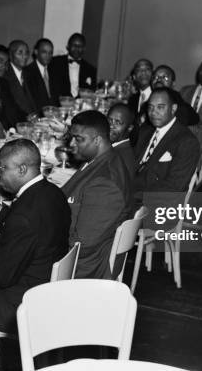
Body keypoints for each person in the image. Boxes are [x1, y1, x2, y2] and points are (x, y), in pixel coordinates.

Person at [0, 139, 70, 334]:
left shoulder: (24, 215)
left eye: (2, 168)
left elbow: (1, 275)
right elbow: (38, 229)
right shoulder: (53, 193)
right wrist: (3, 214)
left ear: (22, 169)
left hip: (17, 304)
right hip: (44, 288)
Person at [62, 111, 132, 279]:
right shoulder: (99, 160)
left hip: (81, 268)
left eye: (78, 139)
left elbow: (82, 246)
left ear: (98, 140)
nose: (71, 144)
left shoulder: (105, 184)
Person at [134, 88, 200, 200]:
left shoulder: (187, 142)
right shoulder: (146, 131)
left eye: (160, 107)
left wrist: (133, 196)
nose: (153, 112)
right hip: (133, 190)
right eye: (150, 107)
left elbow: (173, 187)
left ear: (173, 109)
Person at [49, 33, 97, 103]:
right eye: (74, 45)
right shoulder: (55, 62)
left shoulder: (91, 69)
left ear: (84, 49)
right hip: (59, 104)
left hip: (81, 107)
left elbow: (92, 91)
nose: (77, 48)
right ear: (68, 46)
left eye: (80, 46)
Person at [5, 40, 37, 115]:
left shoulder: (29, 75)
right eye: (20, 53)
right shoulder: (5, 75)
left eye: (26, 53)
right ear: (10, 55)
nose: (25, 56)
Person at [24, 38, 56, 111]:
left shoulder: (54, 71)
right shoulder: (28, 72)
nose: (48, 56)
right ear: (36, 52)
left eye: (50, 52)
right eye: (44, 52)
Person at [107, 103, 135, 179]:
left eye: (118, 122)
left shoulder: (120, 157)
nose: (111, 126)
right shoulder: (113, 148)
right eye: (109, 120)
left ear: (130, 128)